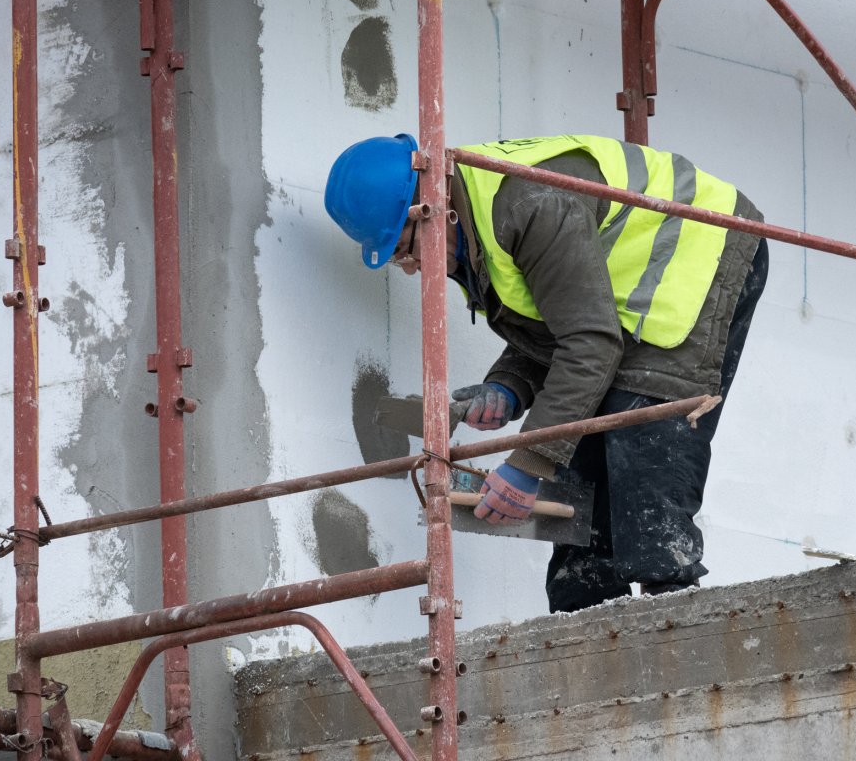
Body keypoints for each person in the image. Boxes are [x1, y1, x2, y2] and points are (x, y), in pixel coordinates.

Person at [325, 134, 768, 613]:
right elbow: (555, 316)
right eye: (397, 258)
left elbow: (590, 342)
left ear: (428, 208)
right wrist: (510, 382)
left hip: (703, 247)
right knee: (579, 476)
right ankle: (585, 606)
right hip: (624, 297)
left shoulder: (528, 206)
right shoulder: (477, 216)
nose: (411, 267)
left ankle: (677, 617)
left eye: (404, 246)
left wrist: (528, 463)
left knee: (642, 434)